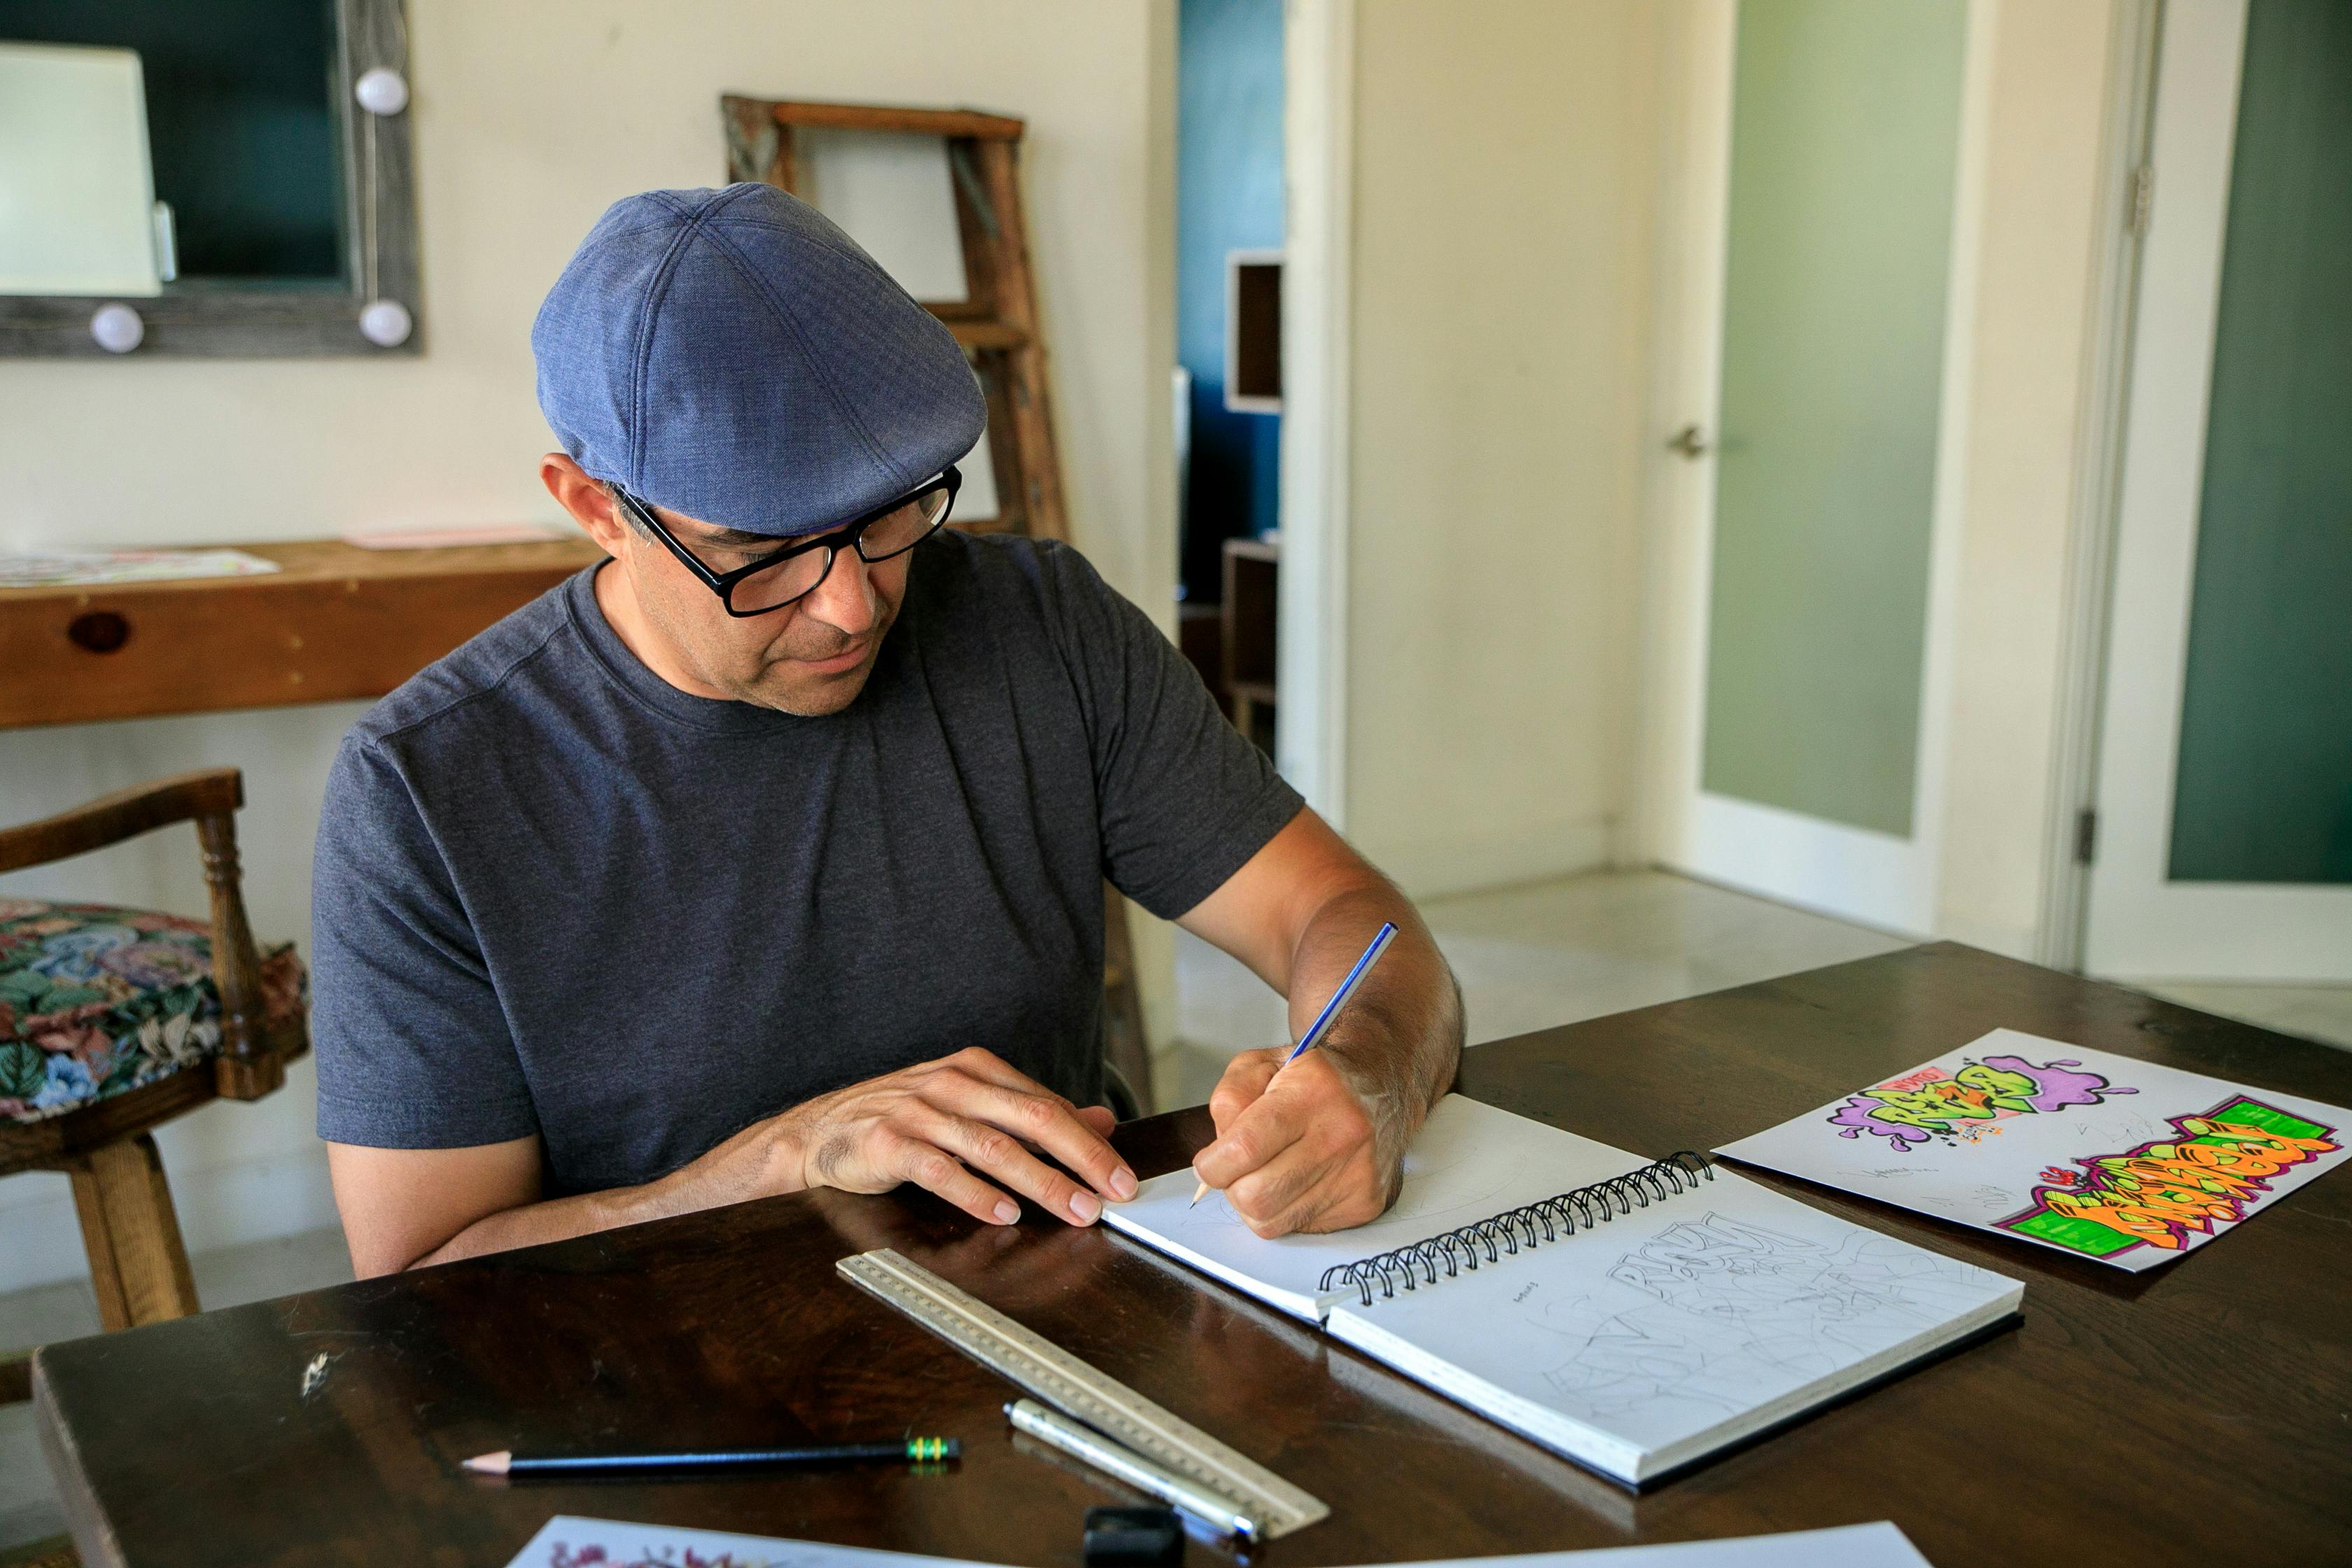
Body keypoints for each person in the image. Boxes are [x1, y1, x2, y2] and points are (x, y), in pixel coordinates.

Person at [312, 183, 1462, 1278]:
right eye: (757, 554)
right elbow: (422, 1276)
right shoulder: (425, 787)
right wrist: (784, 1161)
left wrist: (1365, 1076)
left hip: (1057, 1332)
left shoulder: (1044, 625)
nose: (852, 606)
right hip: (667, 1391)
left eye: (888, 514)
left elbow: (1346, 920)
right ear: (596, 508)